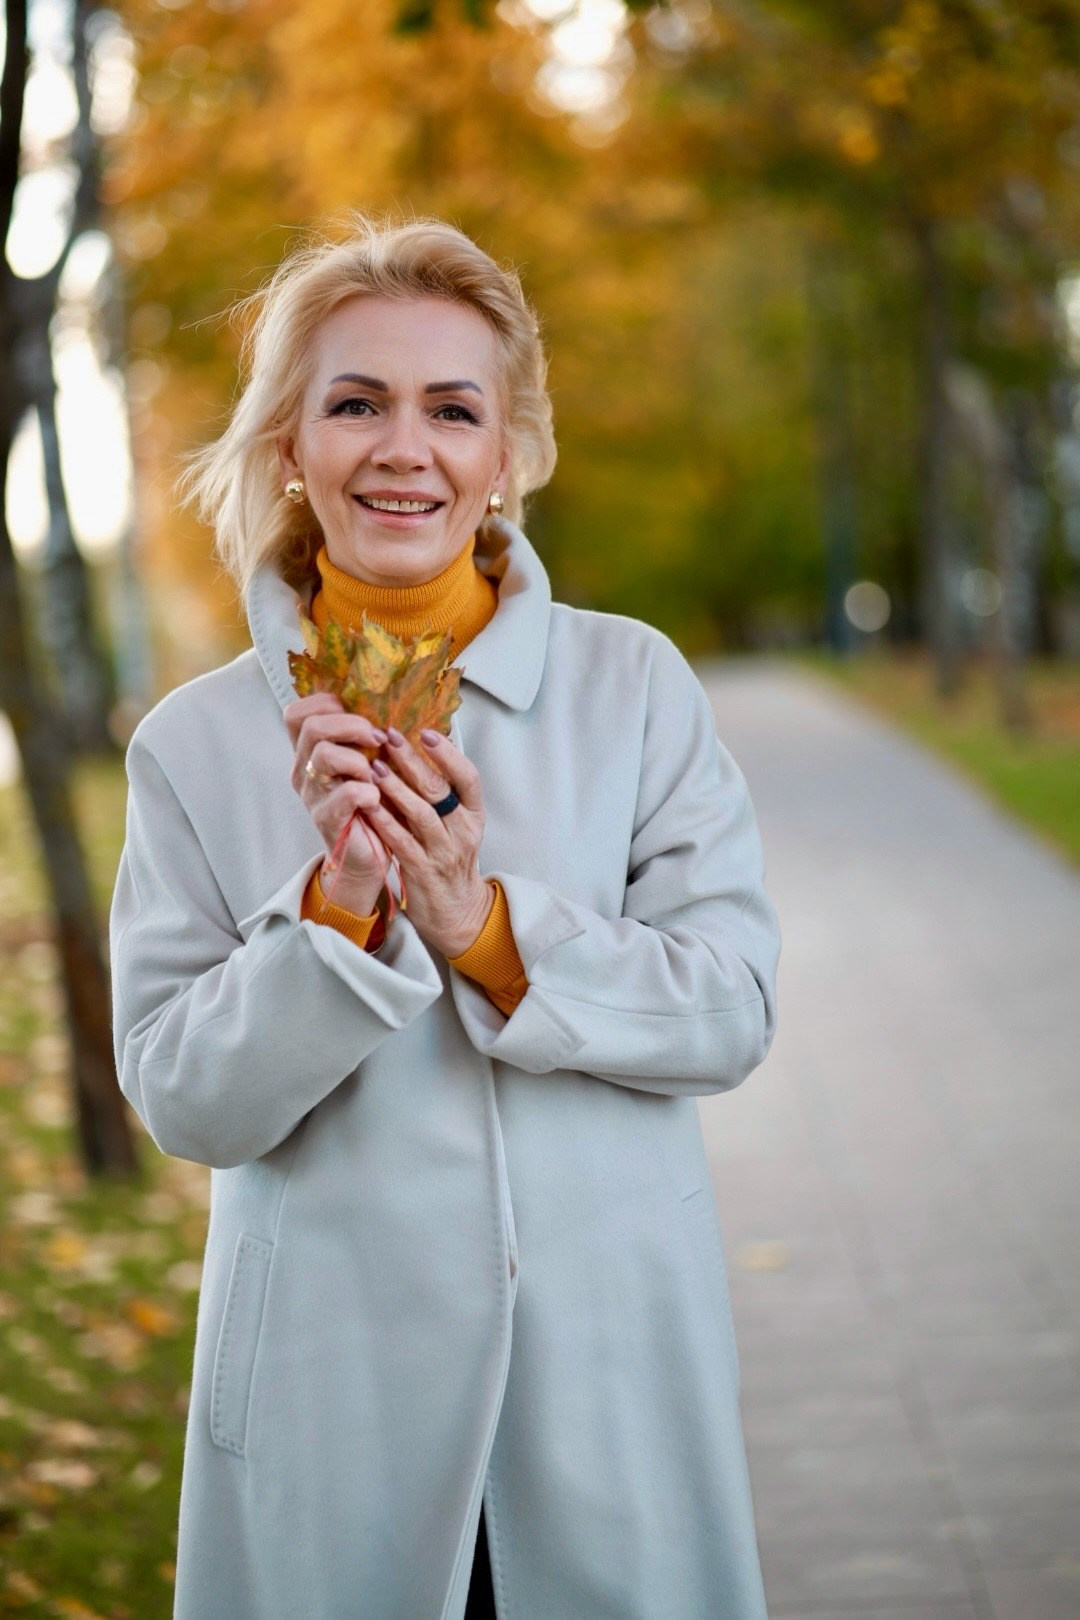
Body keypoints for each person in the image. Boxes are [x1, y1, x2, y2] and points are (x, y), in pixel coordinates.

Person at [109, 214, 781, 1620]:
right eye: (356, 403)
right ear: (292, 442)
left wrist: (483, 927)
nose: (402, 447)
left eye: (451, 410)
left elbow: (731, 1007)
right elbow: (184, 1101)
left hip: (599, 1380)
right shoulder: (197, 745)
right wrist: (335, 915)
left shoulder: (634, 688)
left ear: (506, 455)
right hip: (323, 1393)